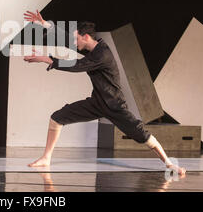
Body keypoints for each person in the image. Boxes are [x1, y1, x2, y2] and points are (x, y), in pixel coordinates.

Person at [23, 10, 186, 176]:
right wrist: (45, 24)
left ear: (86, 37)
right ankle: (46, 158)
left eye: (76, 38)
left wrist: (46, 59)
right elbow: (67, 40)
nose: (74, 42)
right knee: (57, 117)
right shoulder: (93, 47)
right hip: (97, 103)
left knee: (141, 134)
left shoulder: (102, 54)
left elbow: (77, 66)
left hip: (114, 105)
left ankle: (169, 164)